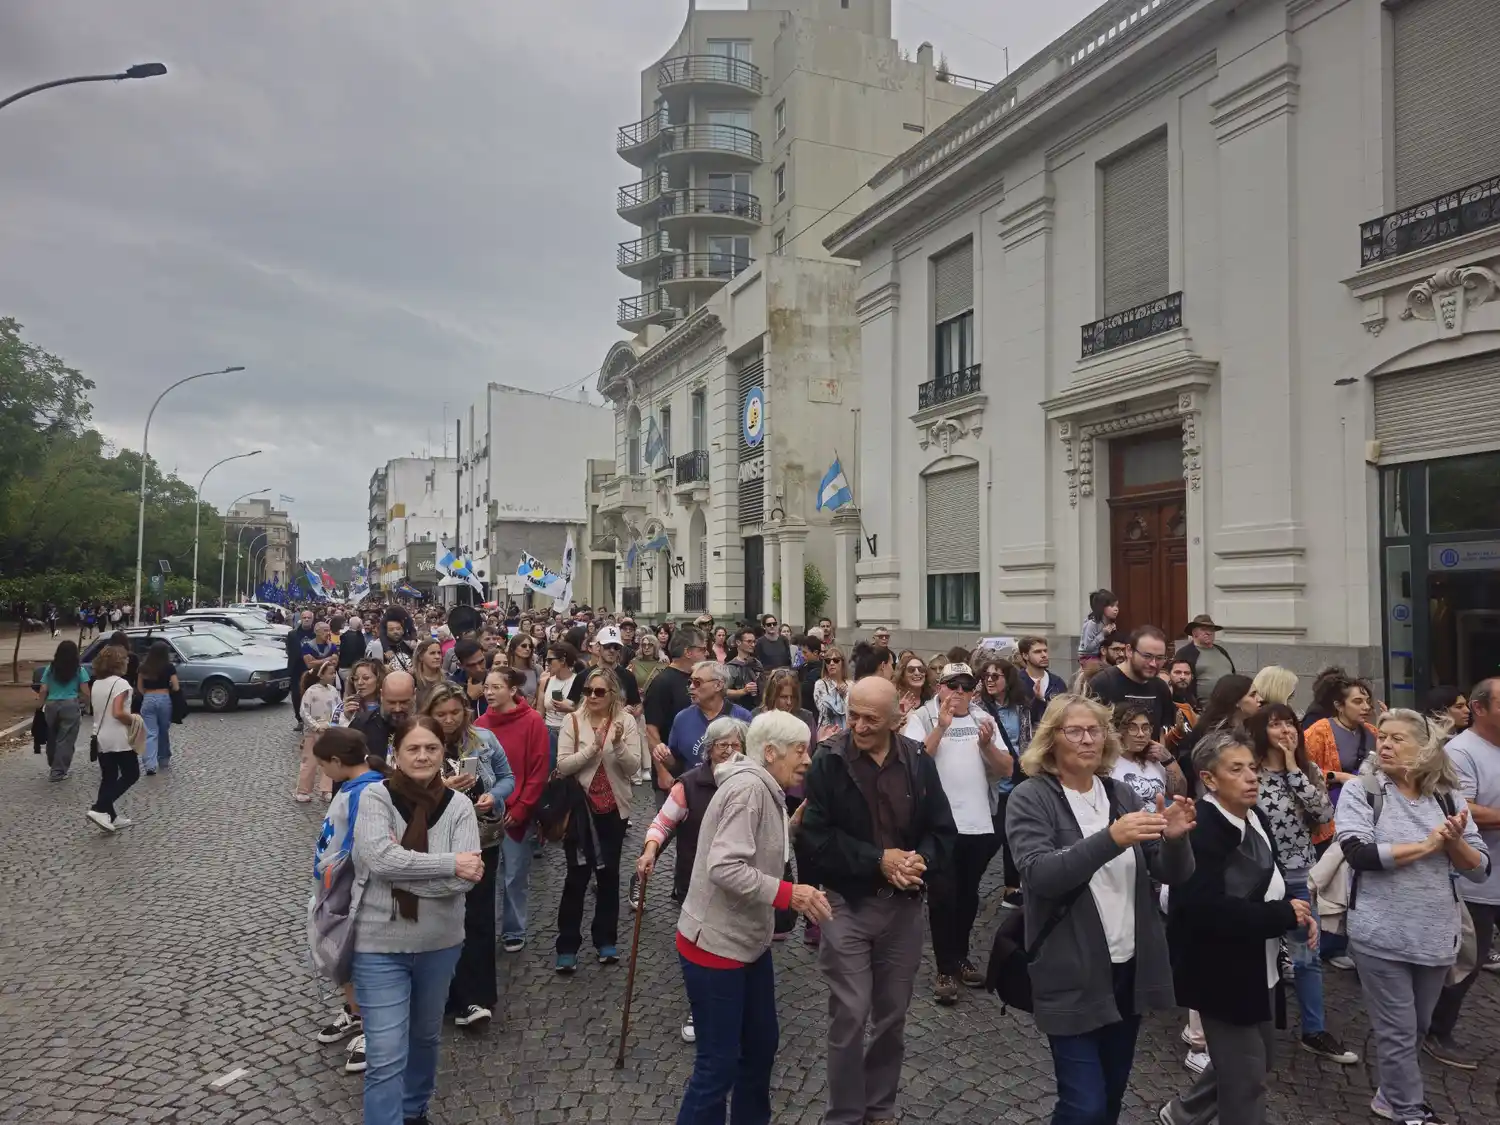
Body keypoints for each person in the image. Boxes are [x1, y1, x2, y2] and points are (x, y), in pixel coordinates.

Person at [1005, 693, 1195, 1125]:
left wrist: (1176, 839)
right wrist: (1111, 839)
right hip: (1070, 969)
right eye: (1075, 731)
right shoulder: (1031, 797)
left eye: (1095, 730)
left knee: (1110, 1098)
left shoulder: (1119, 793)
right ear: (1051, 740)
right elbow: (1040, 875)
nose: (1088, 739)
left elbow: (1172, 872)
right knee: (1083, 1105)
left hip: (1127, 968)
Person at [799, 677, 957, 1125]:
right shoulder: (829, 761)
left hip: (903, 907)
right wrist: (878, 861)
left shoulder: (918, 761)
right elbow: (815, 839)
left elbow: (943, 831)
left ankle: (879, 1107)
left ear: (895, 720)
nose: (859, 726)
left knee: (892, 1015)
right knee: (850, 1013)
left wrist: (920, 860)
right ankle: (845, 1114)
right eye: (853, 716)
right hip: (846, 904)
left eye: (871, 719)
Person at [672, 711, 832, 1125]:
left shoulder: (767, 787)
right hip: (715, 947)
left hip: (747, 943)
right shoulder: (749, 790)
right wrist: (790, 894)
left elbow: (759, 844)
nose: (808, 759)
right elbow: (724, 867)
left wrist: (791, 828)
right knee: (717, 1066)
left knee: (760, 1047)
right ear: (771, 752)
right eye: (801, 750)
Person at [1336, 708, 1487, 1124]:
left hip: (1436, 936)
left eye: (1397, 738)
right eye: (1382, 737)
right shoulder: (1363, 790)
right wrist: (1426, 846)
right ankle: (1410, 1110)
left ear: (1424, 748)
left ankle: (1389, 1096)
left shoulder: (1448, 797)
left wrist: (1454, 843)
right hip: (1379, 934)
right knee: (1398, 1029)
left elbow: (1480, 869)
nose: (1384, 744)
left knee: (1417, 1026)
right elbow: (1358, 853)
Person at [1159, 729, 1313, 1125]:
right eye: (1236, 769)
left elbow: (1269, 880)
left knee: (1256, 1060)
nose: (1251, 777)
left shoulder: (1255, 815)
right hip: (1221, 972)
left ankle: (1183, 1113)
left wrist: (1296, 911)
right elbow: (1202, 909)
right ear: (1209, 779)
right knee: (1246, 1079)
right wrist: (1282, 915)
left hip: (1259, 965)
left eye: (1252, 768)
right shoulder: (1202, 827)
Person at [350, 716, 482, 1125]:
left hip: (439, 944)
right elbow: (380, 859)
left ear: (444, 753)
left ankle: (413, 1111)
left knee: (425, 1038)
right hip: (378, 945)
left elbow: (463, 882)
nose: (423, 756)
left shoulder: (460, 807)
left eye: (431, 748)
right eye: (413, 748)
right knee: (386, 1053)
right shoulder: (375, 798)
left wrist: (398, 875)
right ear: (397, 753)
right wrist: (448, 864)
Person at [1243, 706, 1356, 1063]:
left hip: (1300, 873)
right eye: (1275, 724)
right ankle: (1249, 1028)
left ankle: (1314, 1030)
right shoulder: (1249, 771)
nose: (1285, 730)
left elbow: (1323, 814)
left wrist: (1293, 768)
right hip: (1260, 876)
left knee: (1307, 956)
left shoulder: (1306, 770)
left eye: (1289, 723)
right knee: (1255, 954)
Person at [903, 663, 1012, 1004]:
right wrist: (941, 727)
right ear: (940, 687)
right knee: (942, 895)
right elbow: (913, 764)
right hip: (938, 827)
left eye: (966, 686)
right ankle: (944, 969)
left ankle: (960, 957)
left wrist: (987, 746)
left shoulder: (984, 719)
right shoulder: (923, 717)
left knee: (967, 895)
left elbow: (1008, 769)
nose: (959, 692)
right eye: (953, 685)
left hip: (978, 824)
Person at [639, 716, 751, 1044]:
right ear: (709, 749)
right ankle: (699, 1010)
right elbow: (662, 823)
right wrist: (650, 851)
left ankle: (737, 1008)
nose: (728, 751)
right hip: (696, 884)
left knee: (738, 949)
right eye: (721, 745)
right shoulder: (687, 785)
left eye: (735, 745)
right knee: (701, 952)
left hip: (742, 884)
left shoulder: (753, 783)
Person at [423, 684, 514, 1028]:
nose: (448, 720)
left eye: (454, 713)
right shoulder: (419, 743)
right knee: (440, 917)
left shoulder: (484, 740)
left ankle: (476, 997)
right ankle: (441, 994)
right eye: (440, 714)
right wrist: (440, 789)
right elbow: (402, 790)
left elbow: (507, 777)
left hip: (482, 838)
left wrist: (495, 796)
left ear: (465, 711)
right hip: (437, 843)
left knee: (478, 916)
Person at [1425, 676, 1500, 1069]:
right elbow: (1463, 811)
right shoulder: (1460, 751)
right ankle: (1436, 1031)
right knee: (1467, 962)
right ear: (1479, 708)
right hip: (1476, 883)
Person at [553, 667, 643, 971]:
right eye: (588, 691)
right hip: (580, 811)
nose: (592, 696)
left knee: (609, 876)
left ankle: (605, 940)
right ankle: (567, 945)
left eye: (599, 691)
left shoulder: (626, 722)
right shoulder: (572, 721)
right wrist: (593, 747)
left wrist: (617, 744)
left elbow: (633, 767)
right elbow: (563, 766)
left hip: (613, 810)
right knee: (576, 877)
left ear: (612, 694)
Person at [310, 727, 386, 1076]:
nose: (323, 771)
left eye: (324, 765)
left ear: (338, 761)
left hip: (352, 888)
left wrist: (341, 881)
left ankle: (375, 1028)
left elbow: (361, 845)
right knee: (342, 953)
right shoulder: (350, 786)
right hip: (336, 885)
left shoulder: (367, 791)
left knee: (362, 957)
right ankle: (355, 1012)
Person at [477, 667, 550, 953]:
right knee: (484, 876)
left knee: (515, 875)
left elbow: (538, 770)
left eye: (496, 687)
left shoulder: (532, 721)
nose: (489, 692)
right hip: (486, 811)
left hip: (517, 811)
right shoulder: (480, 725)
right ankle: (483, 930)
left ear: (512, 690)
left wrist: (522, 808)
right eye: (486, 687)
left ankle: (513, 929)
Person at [86, 644, 140, 833]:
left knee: (108, 777)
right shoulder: (121, 684)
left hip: (101, 736)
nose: (128, 661)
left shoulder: (97, 683)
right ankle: (100, 808)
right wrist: (134, 720)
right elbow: (118, 712)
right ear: (118, 662)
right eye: (125, 658)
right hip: (119, 738)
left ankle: (111, 816)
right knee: (131, 774)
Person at [1087, 625, 1175, 738]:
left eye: (1159, 658)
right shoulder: (1102, 683)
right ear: (1129, 651)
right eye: (1147, 656)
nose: (1153, 663)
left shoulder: (1161, 688)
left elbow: (1162, 731)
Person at [1174, 675, 1261, 786]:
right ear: (1237, 701)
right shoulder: (1214, 735)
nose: (1260, 699)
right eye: (1252, 695)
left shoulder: (1249, 726)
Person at [668, 662, 753, 774]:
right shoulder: (682, 719)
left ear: (718, 685)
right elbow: (675, 763)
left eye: (697, 682)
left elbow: (752, 760)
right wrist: (664, 758)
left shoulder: (743, 717)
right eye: (690, 682)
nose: (691, 687)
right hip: (694, 784)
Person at [1109, 701, 1186, 805]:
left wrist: (1168, 760)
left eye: (1145, 728)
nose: (1141, 734)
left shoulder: (1154, 760)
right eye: (1132, 728)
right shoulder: (1108, 763)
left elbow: (1180, 797)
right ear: (1118, 730)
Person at [38, 639, 89, 782]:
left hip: (51, 705)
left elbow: (43, 689)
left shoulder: (50, 669)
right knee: (65, 740)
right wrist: (86, 705)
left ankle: (53, 762)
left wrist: (39, 707)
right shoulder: (79, 670)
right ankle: (58, 772)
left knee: (52, 737)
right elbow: (85, 692)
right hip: (70, 705)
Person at [295, 657, 342, 802]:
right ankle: (303, 790)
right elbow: (304, 712)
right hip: (313, 732)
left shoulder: (334, 691)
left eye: (334, 673)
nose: (333, 676)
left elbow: (339, 709)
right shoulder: (311, 692)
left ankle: (327, 789)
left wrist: (336, 724)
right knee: (309, 761)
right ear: (321, 675)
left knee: (329, 761)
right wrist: (314, 726)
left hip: (329, 731)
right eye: (330, 673)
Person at [349, 670, 416, 761]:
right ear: (381, 695)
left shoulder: (426, 725)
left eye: (404, 702)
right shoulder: (361, 726)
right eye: (391, 703)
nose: (397, 709)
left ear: (414, 695)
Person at [1172, 614, 1236, 706]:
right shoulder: (1185, 653)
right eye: (1204, 629)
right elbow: (1178, 683)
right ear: (1194, 632)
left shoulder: (1221, 651)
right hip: (1203, 709)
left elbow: (1233, 674)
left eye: (1211, 630)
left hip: (1230, 706)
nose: (1208, 633)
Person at [537, 641, 581, 768]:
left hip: (570, 731)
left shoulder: (578, 681)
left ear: (562, 660)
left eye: (550, 660)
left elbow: (586, 711)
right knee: (548, 769)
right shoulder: (545, 682)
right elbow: (540, 712)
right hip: (549, 732)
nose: (547, 663)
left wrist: (570, 709)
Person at [1020, 635, 1066, 724]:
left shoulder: (1057, 682)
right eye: (1037, 652)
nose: (1044, 655)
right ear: (1025, 656)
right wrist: (1038, 700)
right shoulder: (1017, 682)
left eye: (1045, 651)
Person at [287, 609, 316, 730]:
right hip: (296, 668)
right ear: (301, 619)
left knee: (313, 694)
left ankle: (313, 718)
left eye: (309, 618)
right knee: (296, 694)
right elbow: (289, 649)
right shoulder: (292, 634)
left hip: (311, 668)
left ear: (312, 619)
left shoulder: (316, 633)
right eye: (304, 617)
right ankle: (299, 719)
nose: (307, 620)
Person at [1078, 589, 1118, 676]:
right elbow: (1088, 648)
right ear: (1102, 607)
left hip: (1102, 656)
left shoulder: (1109, 622)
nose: (1116, 609)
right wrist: (1103, 634)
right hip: (1089, 658)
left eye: (1116, 606)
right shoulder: (1092, 624)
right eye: (1112, 606)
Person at [447, 638, 491, 717]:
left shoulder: (496, 679)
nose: (478, 669)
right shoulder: (451, 686)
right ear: (460, 665)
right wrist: (469, 698)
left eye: (481, 661)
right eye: (472, 665)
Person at [813, 644, 850, 735]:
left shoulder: (850, 684)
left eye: (836, 660)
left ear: (842, 663)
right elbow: (825, 711)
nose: (831, 663)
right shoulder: (820, 684)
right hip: (828, 732)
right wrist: (838, 695)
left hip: (847, 732)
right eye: (828, 661)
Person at [726, 627, 763, 711]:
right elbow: (724, 692)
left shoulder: (757, 663)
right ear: (738, 642)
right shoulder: (731, 667)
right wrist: (743, 691)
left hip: (758, 708)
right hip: (738, 709)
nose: (753, 645)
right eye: (749, 641)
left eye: (754, 642)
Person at [411, 638, 446, 712]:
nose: (437, 657)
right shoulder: (412, 680)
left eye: (439, 653)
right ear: (421, 656)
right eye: (432, 653)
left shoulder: (447, 678)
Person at [895, 651, 933, 717]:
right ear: (902, 675)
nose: (917, 673)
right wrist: (901, 709)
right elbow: (898, 720)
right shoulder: (896, 700)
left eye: (921, 669)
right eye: (911, 670)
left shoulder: (932, 698)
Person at [507, 631, 540, 703]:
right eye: (524, 646)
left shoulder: (537, 669)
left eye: (530, 646)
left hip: (531, 708)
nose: (528, 649)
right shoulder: (505, 669)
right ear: (513, 648)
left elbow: (539, 696)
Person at [795, 633, 823, 711]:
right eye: (802, 652)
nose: (802, 655)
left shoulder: (822, 671)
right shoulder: (803, 667)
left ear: (815, 653)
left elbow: (806, 688)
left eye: (805, 652)